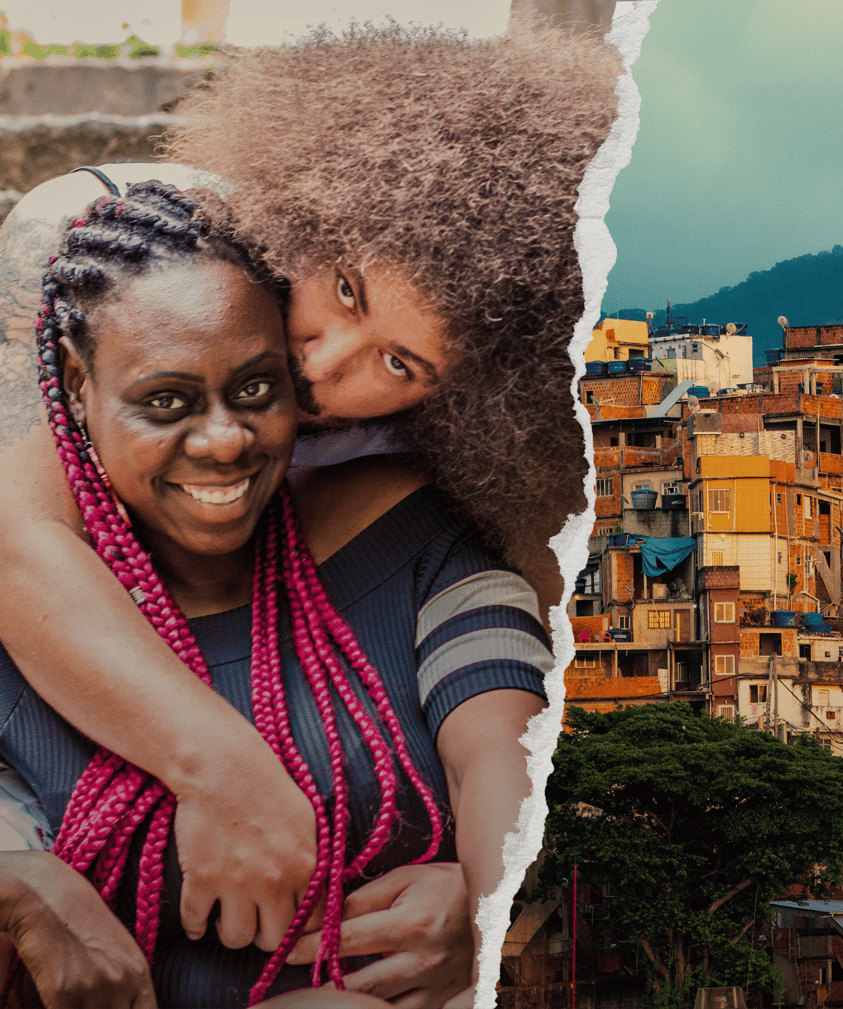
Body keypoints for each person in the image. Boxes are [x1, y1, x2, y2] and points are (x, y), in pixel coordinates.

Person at [0, 17, 619, 968]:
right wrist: (227, 773)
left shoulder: (430, 462)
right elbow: (17, 537)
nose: (321, 362)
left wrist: (485, 900)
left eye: (399, 362)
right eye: (345, 290)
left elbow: (505, 694)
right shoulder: (132, 238)